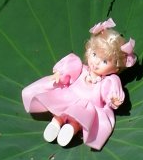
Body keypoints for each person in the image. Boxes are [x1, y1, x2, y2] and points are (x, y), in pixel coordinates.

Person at [21, 19, 136, 150]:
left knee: (79, 117)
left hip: (88, 106)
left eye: (104, 61)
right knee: (60, 108)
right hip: (70, 96)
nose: (96, 62)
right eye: (94, 54)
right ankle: (56, 122)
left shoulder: (108, 82)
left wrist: (113, 99)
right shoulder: (80, 68)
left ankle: (73, 128)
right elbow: (67, 74)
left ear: (115, 68)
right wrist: (60, 74)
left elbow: (109, 95)